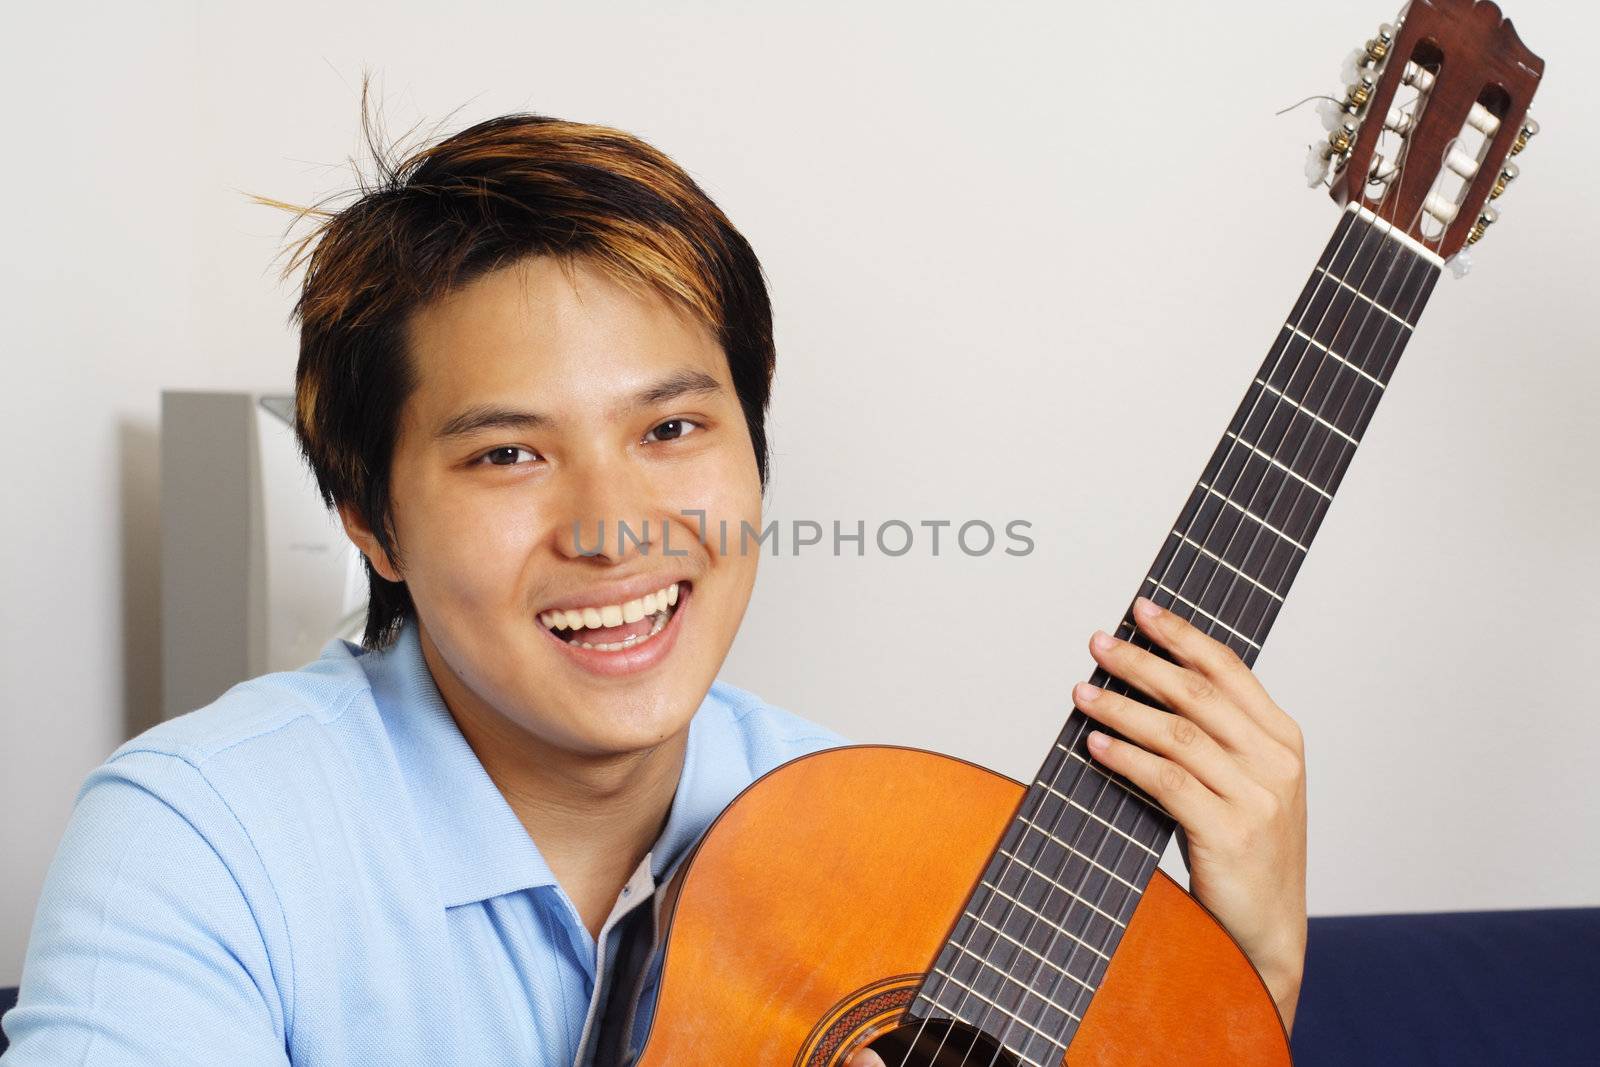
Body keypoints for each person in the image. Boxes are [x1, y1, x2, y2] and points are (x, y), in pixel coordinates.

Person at [0, 95, 1307, 1065]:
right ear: (369, 519)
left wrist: (1248, 970)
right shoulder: (196, 843)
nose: (616, 528)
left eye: (672, 429)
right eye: (509, 452)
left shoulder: (865, 839)